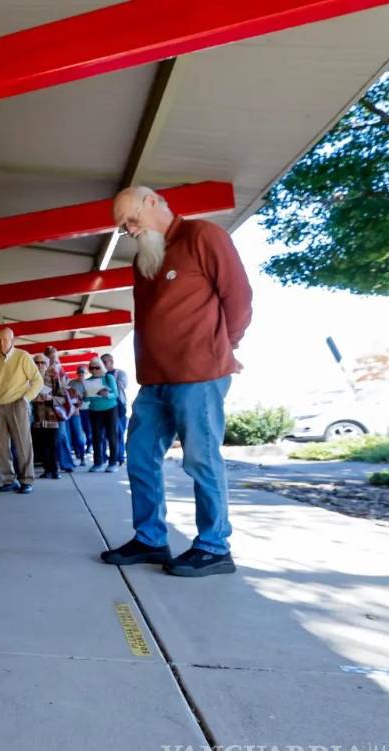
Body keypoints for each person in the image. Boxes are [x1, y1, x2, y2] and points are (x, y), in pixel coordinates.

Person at [100, 186, 253, 577]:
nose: (129, 229)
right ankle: (150, 539)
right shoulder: (144, 260)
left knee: (201, 458)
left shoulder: (203, 236)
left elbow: (238, 297)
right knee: (138, 455)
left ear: (153, 202)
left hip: (199, 376)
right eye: (123, 226)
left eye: (131, 219)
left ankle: (214, 547)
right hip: (155, 381)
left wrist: (223, 349)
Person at [0, 327, 44, 494]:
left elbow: (37, 381)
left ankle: (26, 480)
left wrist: (25, 399)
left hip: (18, 403)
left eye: (5, 339)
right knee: (1, 445)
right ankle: (8, 479)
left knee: (23, 443)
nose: (1, 343)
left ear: (12, 340)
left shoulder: (22, 356)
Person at [30, 353, 64, 479]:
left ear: (47, 364)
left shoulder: (54, 378)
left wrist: (50, 398)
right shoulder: (30, 379)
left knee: (53, 445)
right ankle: (47, 470)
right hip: (36, 418)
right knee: (41, 446)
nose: (39, 365)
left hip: (51, 417)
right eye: (36, 362)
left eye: (42, 362)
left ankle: (55, 470)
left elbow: (63, 398)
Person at [85, 356, 120, 473]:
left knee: (111, 435)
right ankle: (98, 462)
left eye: (97, 367)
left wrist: (107, 395)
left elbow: (116, 394)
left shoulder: (108, 377)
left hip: (110, 409)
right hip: (94, 410)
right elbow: (86, 399)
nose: (94, 370)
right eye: (92, 367)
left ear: (102, 367)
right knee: (96, 437)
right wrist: (83, 396)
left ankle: (113, 462)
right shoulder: (88, 381)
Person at [102, 353, 129, 467]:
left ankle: (120, 457)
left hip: (118, 406)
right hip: (104, 407)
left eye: (105, 362)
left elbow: (121, 386)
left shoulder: (120, 373)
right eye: (101, 362)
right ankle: (104, 457)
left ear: (111, 361)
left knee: (119, 433)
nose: (103, 364)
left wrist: (108, 383)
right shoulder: (100, 376)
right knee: (105, 434)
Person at [68, 365, 90, 466]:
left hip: (87, 410)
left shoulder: (89, 383)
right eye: (79, 372)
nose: (81, 374)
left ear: (86, 373)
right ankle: (79, 454)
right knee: (76, 433)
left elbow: (89, 398)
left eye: (83, 372)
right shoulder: (72, 383)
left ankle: (85, 451)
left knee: (87, 431)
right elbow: (68, 396)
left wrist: (81, 396)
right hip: (75, 411)